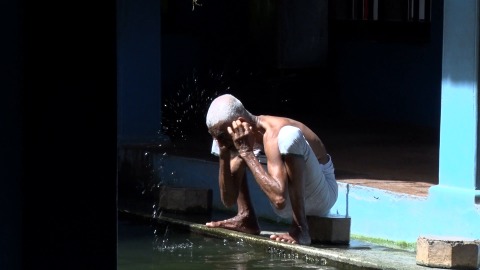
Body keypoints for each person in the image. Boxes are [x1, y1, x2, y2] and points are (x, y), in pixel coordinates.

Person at [205, 94, 338, 245]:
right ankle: (246, 217)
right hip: (286, 204)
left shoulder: (274, 131)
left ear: (241, 122)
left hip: (321, 195)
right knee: (228, 144)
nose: (219, 141)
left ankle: (301, 228)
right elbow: (228, 200)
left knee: (289, 136)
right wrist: (224, 153)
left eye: (222, 136)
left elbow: (279, 199)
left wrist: (247, 153)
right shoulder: (231, 137)